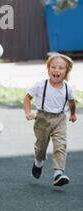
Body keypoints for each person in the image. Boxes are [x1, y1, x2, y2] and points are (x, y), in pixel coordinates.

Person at [24, 53, 77, 186]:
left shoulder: (67, 88)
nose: (56, 70)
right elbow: (27, 98)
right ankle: (38, 162)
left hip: (59, 119)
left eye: (60, 68)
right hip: (42, 118)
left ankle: (58, 173)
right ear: (48, 69)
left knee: (60, 146)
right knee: (41, 147)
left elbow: (72, 102)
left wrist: (73, 114)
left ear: (66, 72)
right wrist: (28, 112)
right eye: (53, 67)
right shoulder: (41, 85)